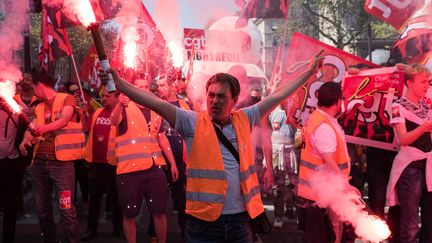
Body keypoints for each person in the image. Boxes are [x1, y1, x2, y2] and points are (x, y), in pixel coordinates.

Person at [99, 52, 322, 242]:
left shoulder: (246, 118)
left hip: (241, 221)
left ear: (234, 99)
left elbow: (279, 95)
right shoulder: (192, 121)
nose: (214, 101)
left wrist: (310, 72)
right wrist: (120, 85)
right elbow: (154, 102)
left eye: (221, 97)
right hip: (203, 222)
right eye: (211, 95)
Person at [110, 77, 179, 243]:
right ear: (133, 88)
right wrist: (119, 104)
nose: (144, 88)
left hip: (155, 169)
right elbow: (113, 121)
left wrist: (173, 163)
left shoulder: (155, 109)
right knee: (130, 213)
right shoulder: (125, 106)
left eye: (146, 86)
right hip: (129, 171)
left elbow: (161, 136)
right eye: (140, 86)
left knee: (160, 211)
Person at [19, 70, 84, 243]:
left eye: (33, 88)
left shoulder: (65, 99)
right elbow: (32, 128)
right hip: (39, 164)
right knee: (43, 210)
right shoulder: (38, 107)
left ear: (39, 85)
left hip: (61, 165)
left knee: (66, 208)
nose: (33, 93)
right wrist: (25, 141)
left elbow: (63, 120)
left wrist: (43, 129)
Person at [297, 82, 350, 243]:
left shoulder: (318, 118)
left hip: (315, 192)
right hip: (322, 194)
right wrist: (345, 186)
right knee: (327, 236)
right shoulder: (324, 127)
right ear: (337, 102)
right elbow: (329, 161)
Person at [386, 63, 432, 243]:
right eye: (422, 82)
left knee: (429, 221)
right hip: (410, 169)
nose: (427, 86)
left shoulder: (426, 108)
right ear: (409, 83)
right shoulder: (398, 106)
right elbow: (403, 139)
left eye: (428, 82)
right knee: (410, 222)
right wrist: (422, 129)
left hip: (428, 167)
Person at [81, 88, 123, 241]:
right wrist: (84, 114)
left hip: (115, 163)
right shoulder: (97, 112)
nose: (104, 98)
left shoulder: (122, 114)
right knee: (95, 199)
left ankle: (118, 228)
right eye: (103, 96)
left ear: (118, 97)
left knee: (118, 198)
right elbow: (85, 129)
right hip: (96, 163)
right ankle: (91, 229)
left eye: (108, 96)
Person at [156, 75, 192, 239]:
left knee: (182, 198)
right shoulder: (156, 105)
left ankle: (185, 232)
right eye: (158, 85)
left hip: (181, 159)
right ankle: (154, 233)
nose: (159, 88)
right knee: (157, 197)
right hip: (160, 158)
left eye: (162, 85)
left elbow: (192, 131)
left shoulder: (184, 105)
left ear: (172, 87)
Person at [0, 98, 27, 243]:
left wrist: (15, 98)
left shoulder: (16, 106)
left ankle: (8, 237)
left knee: (11, 204)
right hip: (7, 161)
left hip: (11, 162)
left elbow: (29, 117)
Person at [268, 104, 298, 228]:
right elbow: (266, 133)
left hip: (291, 151)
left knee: (292, 183)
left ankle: (290, 211)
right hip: (276, 152)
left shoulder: (296, 111)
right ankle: (278, 215)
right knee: (278, 185)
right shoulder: (271, 112)